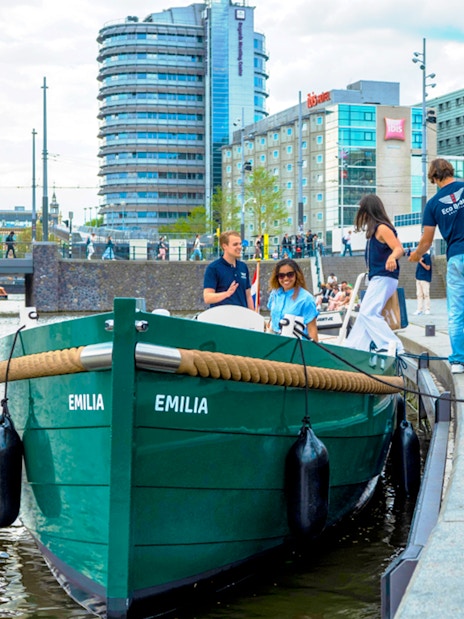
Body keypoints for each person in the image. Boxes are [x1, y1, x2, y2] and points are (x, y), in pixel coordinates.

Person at [409, 158, 464, 373]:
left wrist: (416, 255)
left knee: (457, 310)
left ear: (433, 177)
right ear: (450, 171)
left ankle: (458, 361)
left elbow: (427, 241)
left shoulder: (432, 204)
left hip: (456, 257)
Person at [345, 194, 404, 354]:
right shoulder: (374, 231)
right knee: (365, 314)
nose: (360, 215)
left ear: (368, 211)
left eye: (362, 211)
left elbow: (399, 248)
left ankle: (393, 346)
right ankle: (354, 348)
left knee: (368, 312)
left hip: (384, 277)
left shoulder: (382, 228)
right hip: (378, 278)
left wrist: (392, 257)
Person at [267, 258, 318, 340]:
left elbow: (312, 330)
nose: (286, 278)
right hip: (275, 343)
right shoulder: (274, 294)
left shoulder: (306, 299)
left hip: (297, 346)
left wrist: (313, 351)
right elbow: (272, 318)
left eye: (290, 274)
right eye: (281, 275)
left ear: (296, 274)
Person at [203, 230, 254, 309]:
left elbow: (248, 296)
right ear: (224, 246)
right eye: (235, 244)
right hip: (220, 318)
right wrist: (226, 294)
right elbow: (207, 298)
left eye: (240, 244)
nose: (240, 247)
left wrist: (254, 317)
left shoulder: (243, 267)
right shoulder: (213, 268)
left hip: (242, 317)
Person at [413, 251, 432, 315]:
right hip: (418, 278)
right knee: (419, 295)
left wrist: (421, 262)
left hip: (425, 278)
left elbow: (428, 267)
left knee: (426, 294)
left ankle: (427, 309)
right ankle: (419, 309)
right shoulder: (419, 257)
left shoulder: (427, 256)